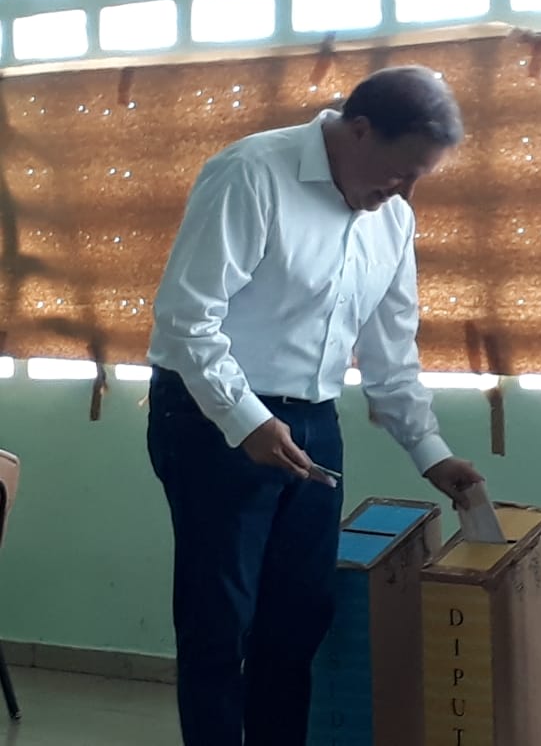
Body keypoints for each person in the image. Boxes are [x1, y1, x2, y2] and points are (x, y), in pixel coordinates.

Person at [146, 65, 483, 746]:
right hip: (212, 416)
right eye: (402, 171)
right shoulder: (251, 174)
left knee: (298, 621)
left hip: (313, 423)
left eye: (420, 178)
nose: (404, 192)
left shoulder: (392, 219)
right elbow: (186, 320)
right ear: (358, 131)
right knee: (221, 625)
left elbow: (391, 354)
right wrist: (247, 421)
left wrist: (432, 453)